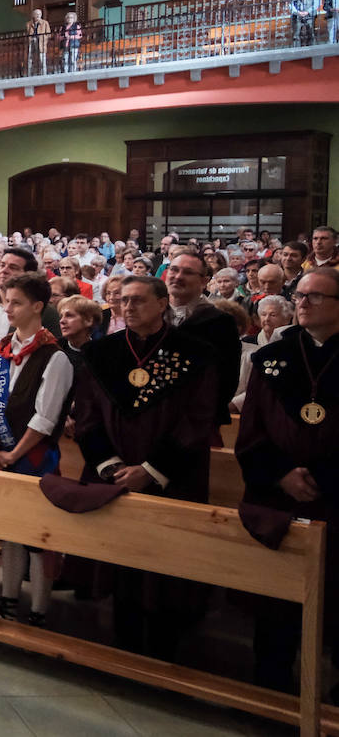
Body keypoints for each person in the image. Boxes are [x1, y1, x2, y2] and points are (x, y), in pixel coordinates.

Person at [73, 276, 218, 658]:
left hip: (172, 477)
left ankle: (166, 651)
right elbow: (86, 416)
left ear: (161, 304)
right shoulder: (101, 353)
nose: (128, 307)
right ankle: (124, 647)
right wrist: (111, 466)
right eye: (122, 301)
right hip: (116, 475)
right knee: (123, 564)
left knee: (166, 568)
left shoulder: (194, 353)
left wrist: (151, 470)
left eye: (138, 300)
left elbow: (199, 419)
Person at [236, 268, 339, 693]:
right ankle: (269, 692)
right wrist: (281, 474)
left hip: (333, 500)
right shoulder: (272, 359)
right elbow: (252, 430)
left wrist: (322, 479)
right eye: (301, 295)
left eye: (316, 296)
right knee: (275, 609)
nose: (304, 302)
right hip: (276, 498)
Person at [0, 272, 73, 627]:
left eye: (16, 302)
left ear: (37, 306)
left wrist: (14, 455)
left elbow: (46, 418)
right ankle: (9, 596)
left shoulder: (54, 357)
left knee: (39, 536)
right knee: (10, 533)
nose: (8, 308)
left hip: (34, 458)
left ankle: (40, 606)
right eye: (5, 301)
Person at [166, 251, 240, 436]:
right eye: (173, 270)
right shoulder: (151, 316)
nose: (177, 276)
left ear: (204, 281)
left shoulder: (220, 321)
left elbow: (227, 378)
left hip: (199, 421)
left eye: (188, 272)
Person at [25, 8, 52, 75]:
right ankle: (30, 73)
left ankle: (43, 73)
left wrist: (43, 38)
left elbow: (48, 34)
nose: (38, 15)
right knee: (30, 58)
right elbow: (27, 33)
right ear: (33, 15)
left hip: (41, 42)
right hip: (32, 41)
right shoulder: (29, 24)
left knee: (42, 58)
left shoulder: (45, 23)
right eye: (36, 14)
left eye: (39, 14)